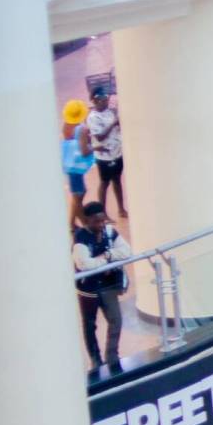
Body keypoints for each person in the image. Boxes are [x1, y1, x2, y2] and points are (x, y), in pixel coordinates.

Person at [72, 201, 131, 375]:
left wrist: (106, 255)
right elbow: (84, 264)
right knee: (90, 325)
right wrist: (106, 261)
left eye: (102, 220)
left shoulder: (110, 232)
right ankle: (96, 360)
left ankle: (112, 356)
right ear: (87, 220)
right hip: (88, 290)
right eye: (96, 221)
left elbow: (127, 251)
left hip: (108, 286)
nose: (100, 225)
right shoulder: (80, 238)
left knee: (116, 320)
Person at [60, 116, 94, 228]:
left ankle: (74, 222)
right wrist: (95, 148)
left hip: (70, 165)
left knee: (78, 194)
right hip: (76, 166)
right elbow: (84, 151)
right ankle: (78, 223)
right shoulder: (81, 129)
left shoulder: (67, 125)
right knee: (78, 195)